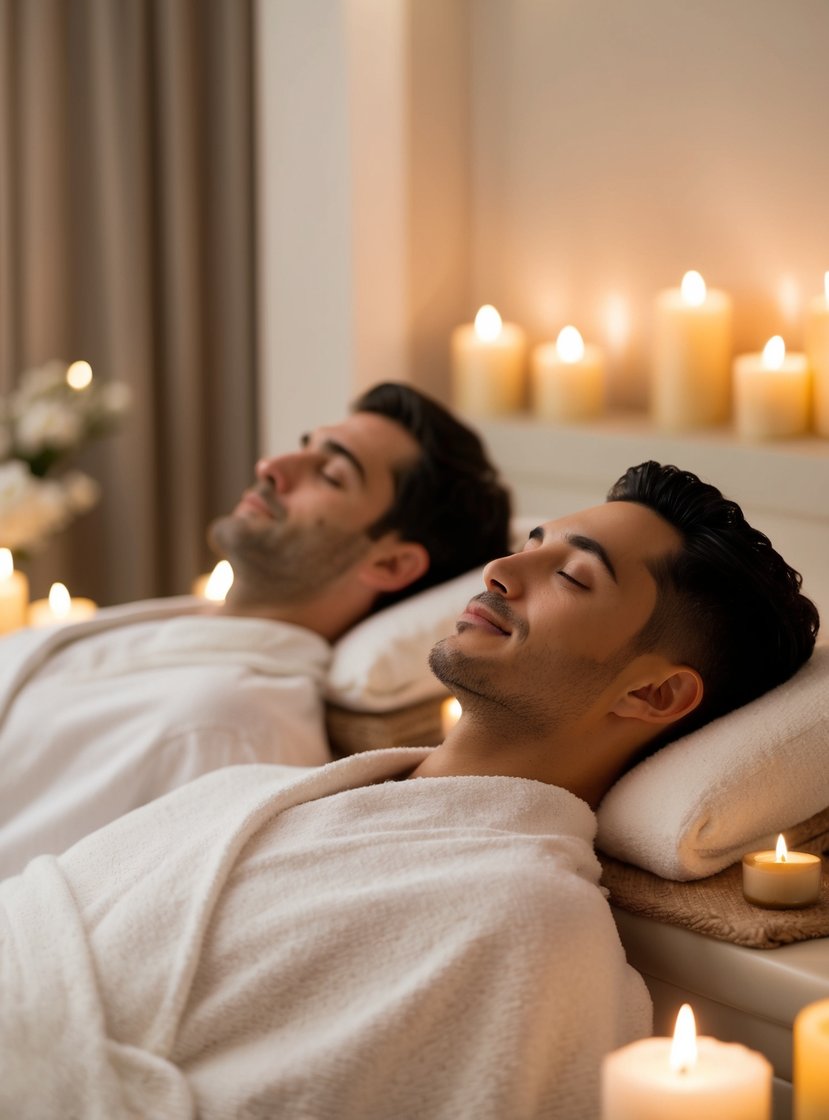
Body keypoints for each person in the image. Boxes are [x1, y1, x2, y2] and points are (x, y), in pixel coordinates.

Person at [0, 462, 818, 1120]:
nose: (502, 569)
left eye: (570, 577)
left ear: (651, 696)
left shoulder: (527, 924)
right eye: (532, 541)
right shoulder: (251, 789)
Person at [0, 382, 511, 876]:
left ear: (392, 563)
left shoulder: (235, 729)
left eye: (331, 474)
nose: (272, 467)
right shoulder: (182, 632)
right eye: (303, 447)